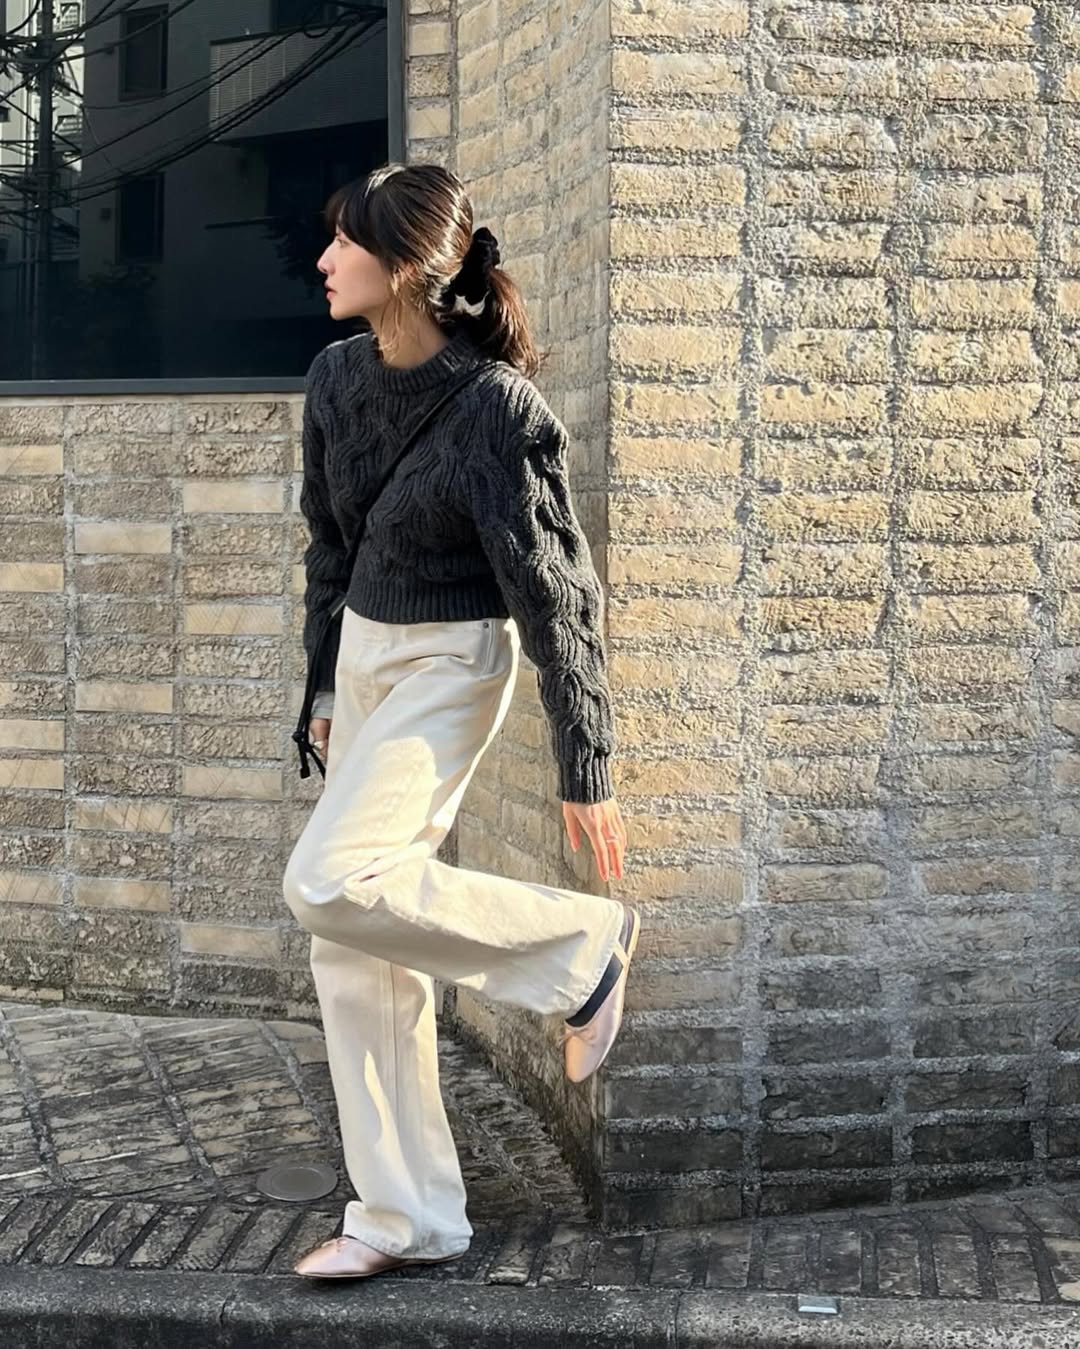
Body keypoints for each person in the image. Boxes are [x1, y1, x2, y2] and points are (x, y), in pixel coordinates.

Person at [282, 162, 641, 1282]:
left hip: (450, 661)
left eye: (345, 242)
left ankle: (582, 949)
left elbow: (558, 593)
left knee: (328, 879)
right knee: (352, 940)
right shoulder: (336, 379)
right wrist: (325, 690)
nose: (324, 260)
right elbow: (329, 546)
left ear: (405, 267)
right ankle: (407, 1218)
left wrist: (585, 758)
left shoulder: (496, 409)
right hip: (366, 655)